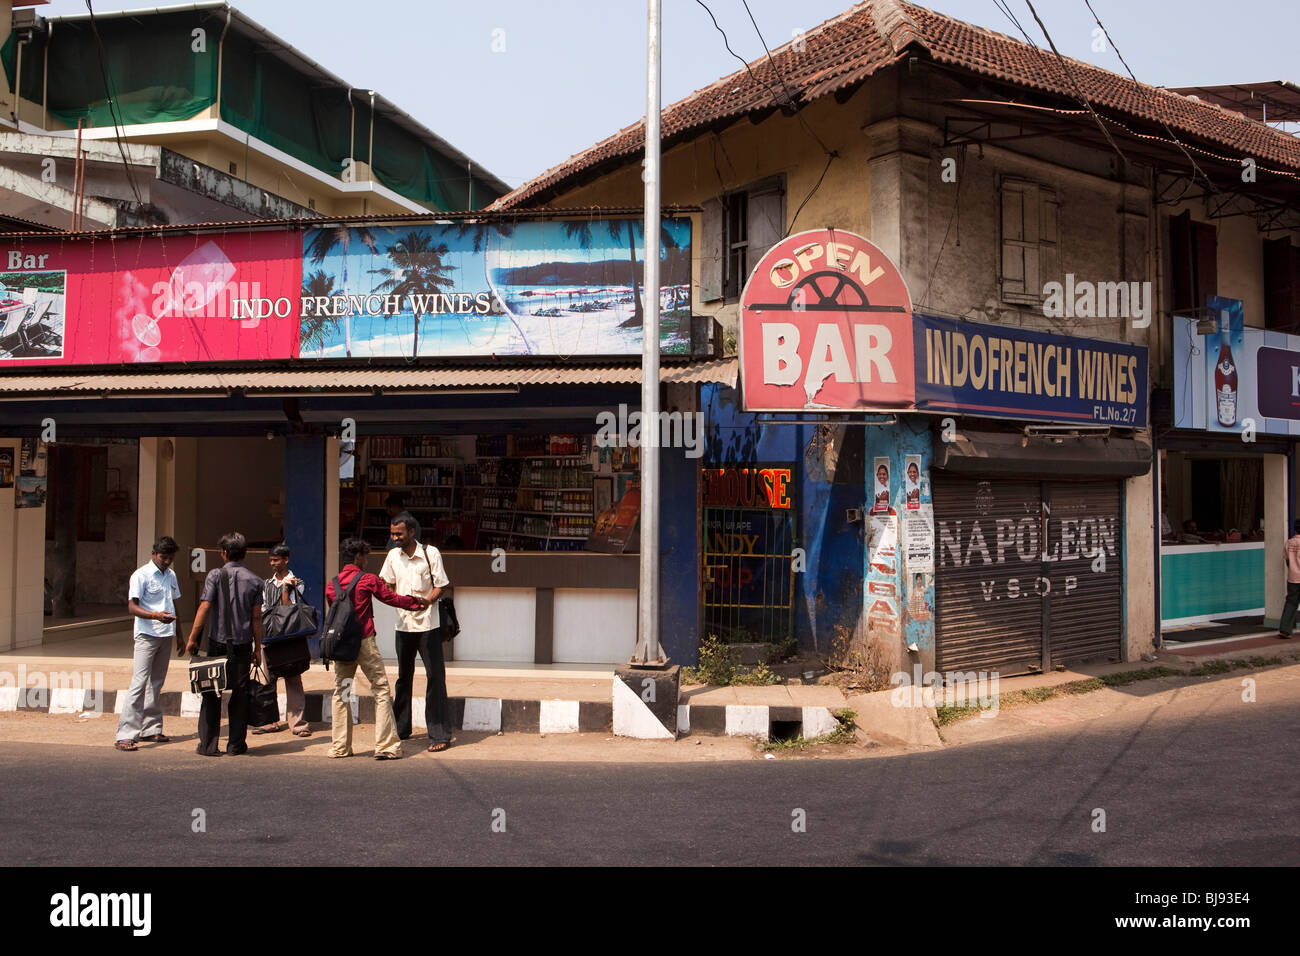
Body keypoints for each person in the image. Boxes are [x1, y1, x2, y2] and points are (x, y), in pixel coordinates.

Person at [325, 537, 427, 760]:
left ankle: (340, 747)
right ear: (358, 557)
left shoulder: (331, 585)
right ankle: (386, 746)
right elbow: (390, 598)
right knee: (380, 689)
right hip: (364, 642)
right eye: (365, 557)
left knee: (341, 692)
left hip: (342, 647)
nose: (367, 561)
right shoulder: (367, 579)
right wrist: (415, 602)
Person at [182, 532, 264, 757]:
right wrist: (258, 648)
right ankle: (235, 745)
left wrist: (192, 638)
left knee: (211, 693)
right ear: (244, 554)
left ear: (225, 553)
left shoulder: (215, 576)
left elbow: (205, 607)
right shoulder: (256, 581)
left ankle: (208, 745)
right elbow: (257, 618)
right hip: (243, 645)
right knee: (240, 695)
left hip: (217, 643)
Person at [381, 512, 452, 752]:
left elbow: (441, 585)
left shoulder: (431, 554)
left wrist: (427, 601)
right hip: (403, 625)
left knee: (435, 677)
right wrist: (395, 597)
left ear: (412, 532)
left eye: (398, 533)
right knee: (403, 678)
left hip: (428, 626)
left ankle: (439, 733)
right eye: (392, 534)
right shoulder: (392, 556)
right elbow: (386, 583)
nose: (395, 538)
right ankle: (401, 729)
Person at [115, 536, 181, 752]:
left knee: (156, 683)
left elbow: (174, 605)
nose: (166, 561)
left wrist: (180, 635)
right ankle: (125, 734)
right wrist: (154, 615)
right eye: (163, 556)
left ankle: (150, 728)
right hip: (146, 634)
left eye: (170, 557)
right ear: (154, 554)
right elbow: (132, 607)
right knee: (139, 683)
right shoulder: (140, 575)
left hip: (166, 635)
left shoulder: (171, 575)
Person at [252, 542, 310, 738]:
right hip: (270, 637)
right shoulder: (266, 584)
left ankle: (298, 724)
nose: (273, 564)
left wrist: (286, 590)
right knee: (268, 679)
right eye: (271, 560)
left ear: (286, 560)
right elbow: (262, 610)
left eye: (276, 560)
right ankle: (270, 721)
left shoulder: (297, 583)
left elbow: (289, 611)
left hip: (289, 638)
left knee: (293, 679)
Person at [1279, 520, 1300, 639]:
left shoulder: (1289, 542)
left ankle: (1285, 630)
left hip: (1293, 578)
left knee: (1291, 602)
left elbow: (1287, 560)